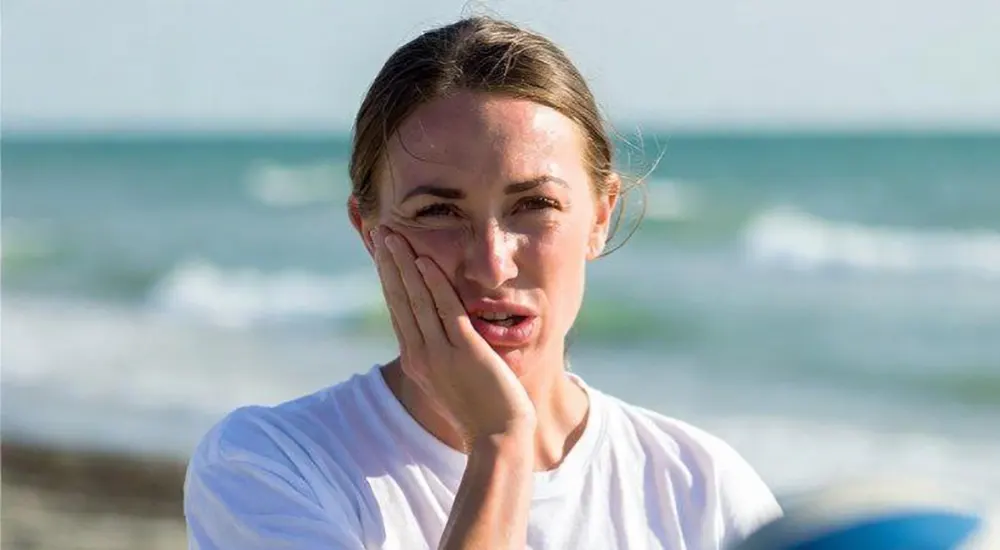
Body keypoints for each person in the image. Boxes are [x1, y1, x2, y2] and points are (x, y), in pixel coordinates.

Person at [183, 15, 783, 550]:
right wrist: (500, 441)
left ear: (600, 217)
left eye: (536, 204)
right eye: (439, 212)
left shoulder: (702, 492)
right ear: (368, 230)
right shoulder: (269, 466)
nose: (492, 264)